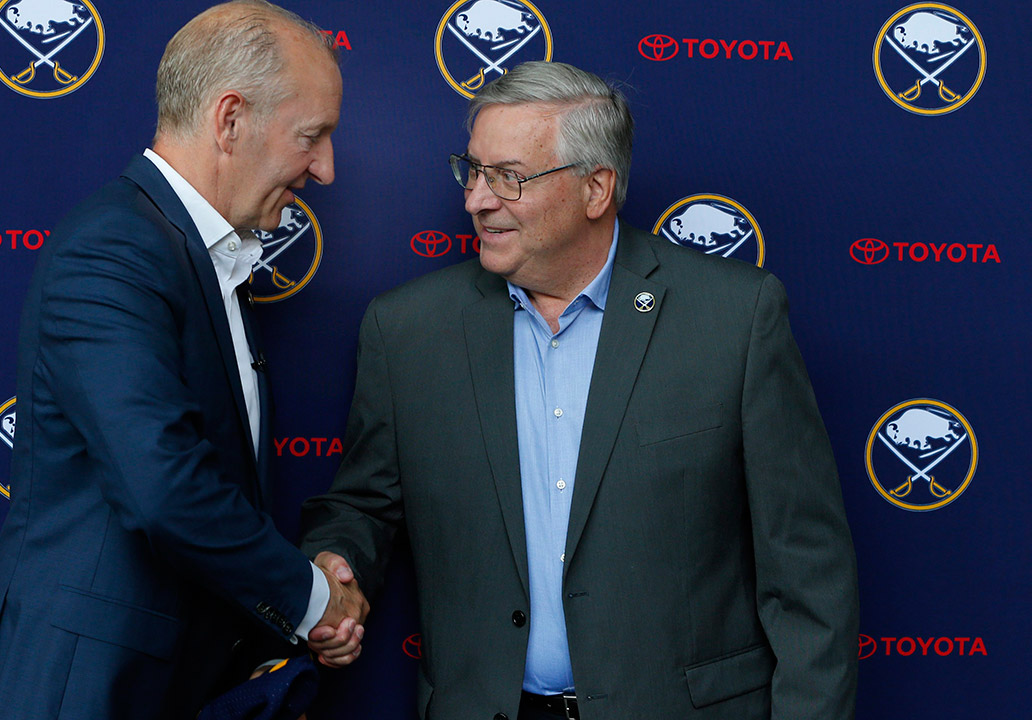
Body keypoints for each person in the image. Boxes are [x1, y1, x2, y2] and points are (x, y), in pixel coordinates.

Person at [300, 61, 858, 720]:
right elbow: (363, 504)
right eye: (472, 171)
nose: (477, 199)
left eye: (508, 176)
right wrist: (334, 567)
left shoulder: (734, 320)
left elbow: (808, 573)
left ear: (596, 188)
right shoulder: (407, 330)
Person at [0, 3, 366, 719]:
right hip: (84, 692)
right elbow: (165, 488)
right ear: (229, 118)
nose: (325, 169)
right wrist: (311, 598)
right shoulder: (114, 251)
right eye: (312, 136)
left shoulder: (203, 255)